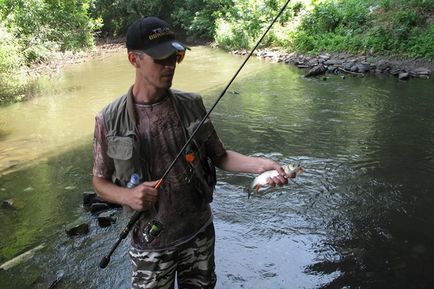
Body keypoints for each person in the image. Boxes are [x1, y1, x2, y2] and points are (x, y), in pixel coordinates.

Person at [92, 16, 288, 289]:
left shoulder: (192, 105)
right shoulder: (109, 119)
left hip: (199, 234)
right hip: (150, 244)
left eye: (175, 56)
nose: (170, 65)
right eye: (161, 58)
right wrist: (127, 195)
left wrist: (260, 166)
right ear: (134, 59)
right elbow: (99, 182)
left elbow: (220, 156)